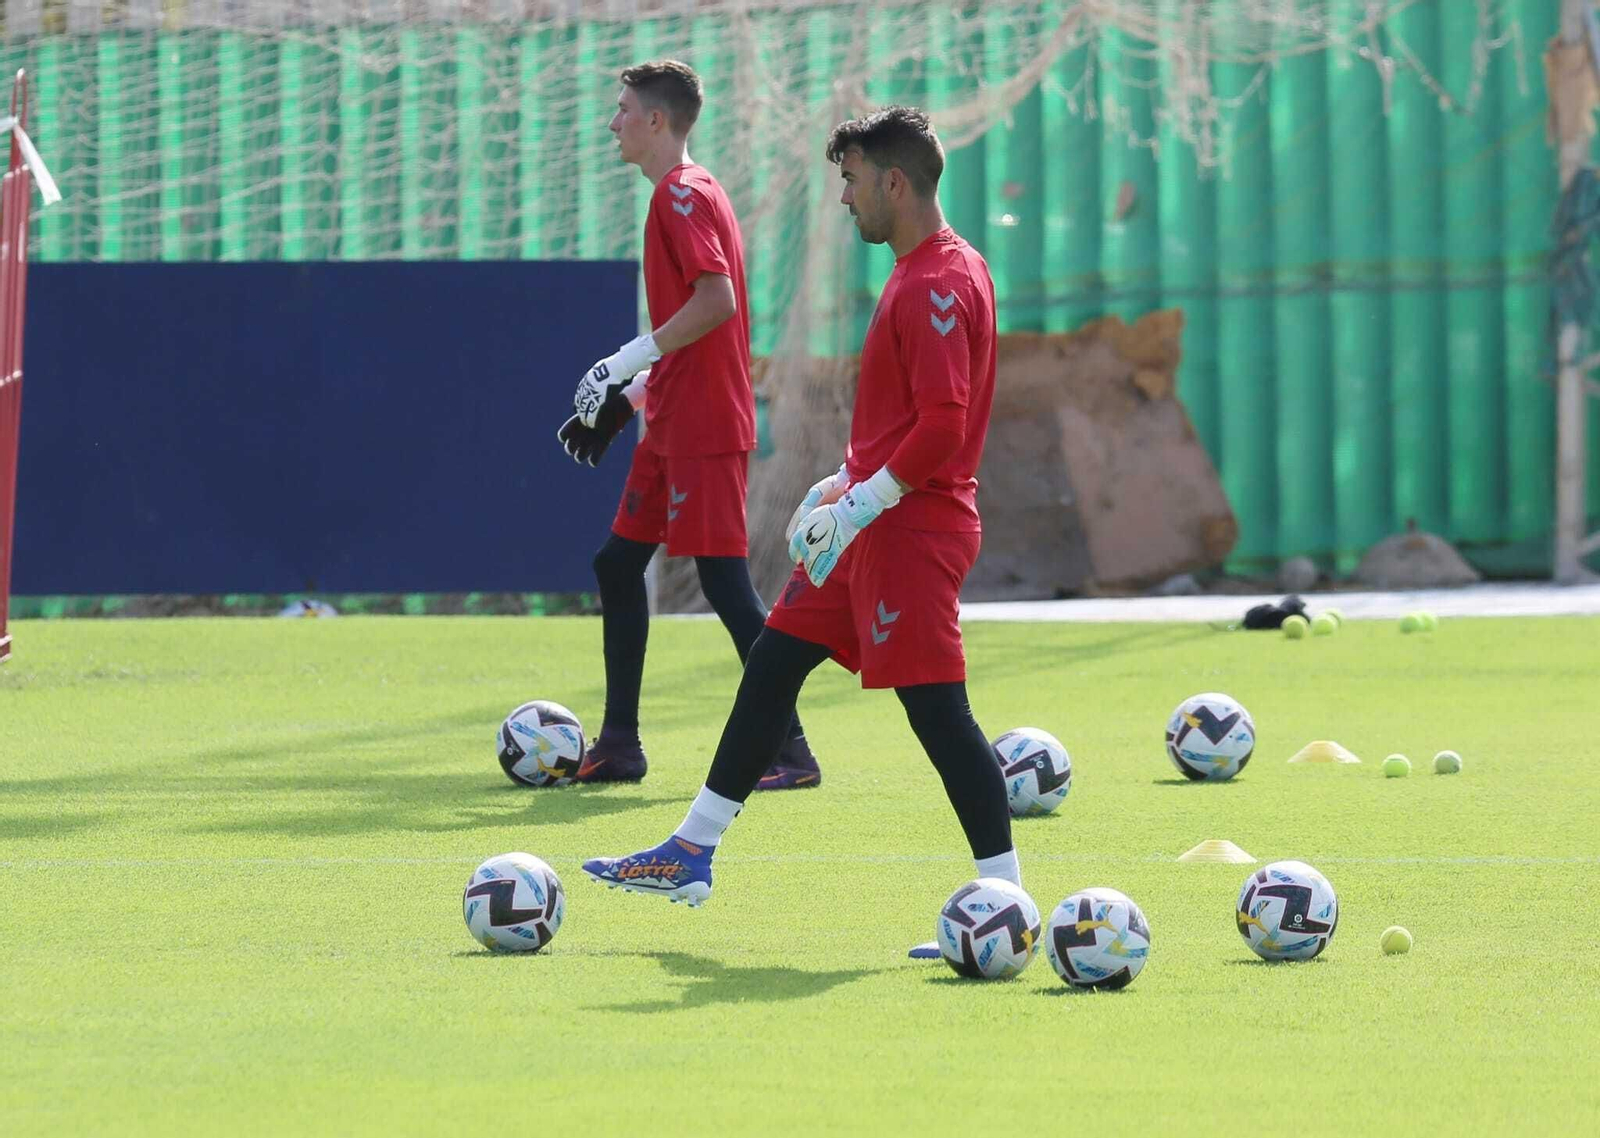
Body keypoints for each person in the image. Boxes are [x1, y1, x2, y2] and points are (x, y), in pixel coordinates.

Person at [582, 105, 1019, 928]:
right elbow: (911, 422)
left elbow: (945, 426)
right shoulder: (931, 266)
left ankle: (1009, 898)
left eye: (851, 180)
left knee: (938, 713)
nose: (845, 198)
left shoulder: (936, 281)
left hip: (910, 535)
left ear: (893, 180)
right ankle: (690, 852)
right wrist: (842, 483)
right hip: (874, 522)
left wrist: (864, 500)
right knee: (775, 660)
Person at [559, 60, 819, 789]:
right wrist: (636, 392)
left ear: (655, 121)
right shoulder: (682, 193)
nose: (612, 123)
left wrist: (624, 357)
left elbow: (718, 303)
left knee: (727, 587)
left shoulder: (681, 194)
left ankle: (792, 749)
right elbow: (702, 328)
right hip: (675, 417)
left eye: (621, 110)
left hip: (704, 427)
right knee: (617, 565)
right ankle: (620, 745)